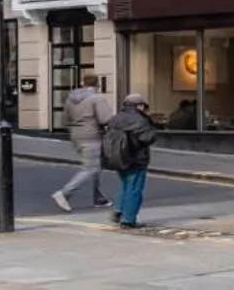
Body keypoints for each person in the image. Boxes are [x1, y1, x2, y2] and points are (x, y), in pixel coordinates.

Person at [52, 83, 113, 212]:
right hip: (92, 135)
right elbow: (105, 119)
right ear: (98, 85)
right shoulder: (97, 98)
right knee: (90, 168)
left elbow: (65, 118)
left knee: (95, 166)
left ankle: (99, 198)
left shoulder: (71, 98)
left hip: (76, 136)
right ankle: (64, 193)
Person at [102, 93, 158, 228]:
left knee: (125, 184)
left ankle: (118, 211)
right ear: (139, 106)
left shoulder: (116, 118)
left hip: (118, 157)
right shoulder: (140, 120)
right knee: (134, 189)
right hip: (135, 158)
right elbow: (147, 138)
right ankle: (128, 219)